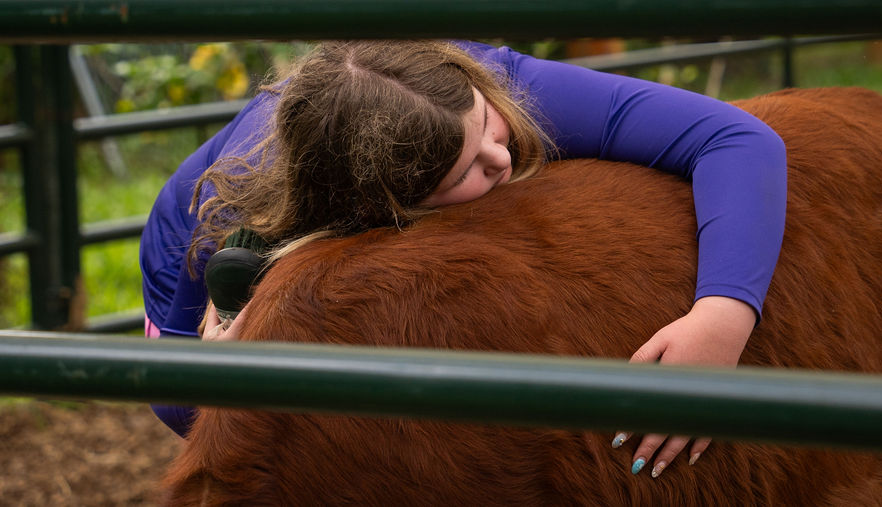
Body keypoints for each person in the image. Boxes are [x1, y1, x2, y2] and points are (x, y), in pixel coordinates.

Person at [139, 39, 787, 479]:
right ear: (383, 210)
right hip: (207, 237)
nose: (502, 158)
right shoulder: (225, 222)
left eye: (495, 134)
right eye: (469, 169)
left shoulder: (484, 87)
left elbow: (736, 137)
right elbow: (174, 404)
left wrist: (722, 316)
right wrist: (222, 356)